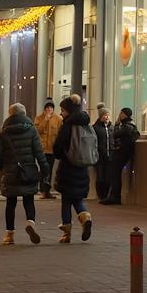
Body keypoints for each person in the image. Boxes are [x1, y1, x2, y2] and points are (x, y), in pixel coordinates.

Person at [0, 103, 48, 245]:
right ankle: (30, 222)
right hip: (28, 171)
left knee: (10, 203)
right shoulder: (31, 130)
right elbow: (39, 152)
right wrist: (44, 169)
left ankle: (9, 234)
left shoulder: (4, 132)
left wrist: (4, 168)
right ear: (24, 114)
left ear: (10, 114)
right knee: (28, 200)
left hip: (10, 172)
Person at [52, 94, 95, 243]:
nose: (61, 113)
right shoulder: (86, 124)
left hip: (68, 167)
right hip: (83, 167)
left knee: (66, 200)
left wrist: (59, 153)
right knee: (77, 198)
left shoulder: (67, 125)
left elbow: (58, 147)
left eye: (63, 110)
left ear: (69, 110)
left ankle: (67, 233)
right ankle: (85, 217)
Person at [101, 107, 139, 205]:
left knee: (115, 175)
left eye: (121, 113)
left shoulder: (126, 126)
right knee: (115, 174)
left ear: (125, 114)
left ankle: (115, 196)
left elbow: (115, 134)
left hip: (121, 153)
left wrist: (117, 124)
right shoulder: (130, 125)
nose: (120, 115)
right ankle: (114, 196)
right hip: (124, 153)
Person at [34, 100, 61, 199]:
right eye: (47, 108)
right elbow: (38, 131)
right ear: (45, 109)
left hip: (52, 150)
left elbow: (60, 133)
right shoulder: (39, 118)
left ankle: (47, 191)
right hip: (42, 150)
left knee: (50, 170)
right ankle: (42, 191)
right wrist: (45, 119)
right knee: (43, 170)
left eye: (51, 108)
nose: (49, 109)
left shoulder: (58, 119)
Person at [93, 107, 113, 201]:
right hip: (99, 157)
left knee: (108, 178)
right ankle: (100, 195)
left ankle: (105, 195)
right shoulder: (96, 128)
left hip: (109, 157)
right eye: (105, 115)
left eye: (108, 115)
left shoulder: (111, 127)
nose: (107, 117)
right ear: (101, 116)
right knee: (100, 177)